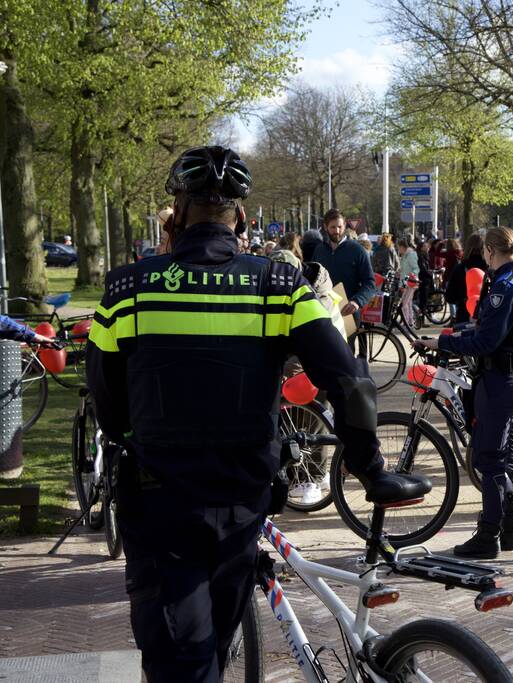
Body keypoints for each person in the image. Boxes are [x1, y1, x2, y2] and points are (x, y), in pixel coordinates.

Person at [85, 145, 427, 683]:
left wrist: (138, 436)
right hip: (242, 501)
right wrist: (370, 468)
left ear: (176, 215)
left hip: (160, 504)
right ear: (241, 218)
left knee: (182, 663)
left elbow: (107, 402)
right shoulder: (280, 286)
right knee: (216, 648)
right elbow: (351, 382)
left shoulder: (129, 290)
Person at [415, 227, 513, 560]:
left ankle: (488, 536)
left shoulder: (505, 287)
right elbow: (500, 331)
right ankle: (509, 530)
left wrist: (442, 342)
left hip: (499, 381)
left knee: (488, 460)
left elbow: (486, 341)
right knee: (508, 461)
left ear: (489, 250)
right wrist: (456, 335)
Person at [310, 209, 376, 318]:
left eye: (340, 227)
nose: (337, 231)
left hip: (348, 313)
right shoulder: (319, 250)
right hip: (323, 313)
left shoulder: (358, 250)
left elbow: (370, 283)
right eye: (333, 227)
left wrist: (357, 301)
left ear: (345, 226)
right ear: (325, 227)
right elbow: (311, 280)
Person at [445, 233, 488, 324]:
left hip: (463, 316)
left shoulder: (459, 268)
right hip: (486, 318)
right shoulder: (490, 269)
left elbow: (450, 297)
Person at [397, 237, 420, 325]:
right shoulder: (405, 255)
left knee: (404, 304)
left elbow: (416, 269)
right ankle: (410, 322)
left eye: (399, 248)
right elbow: (406, 269)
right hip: (406, 282)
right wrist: (400, 272)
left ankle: (406, 323)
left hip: (410, 283)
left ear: (402, 247)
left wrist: (408, 276)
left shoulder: (410, 255)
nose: (398, 250)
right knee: (408, 303)